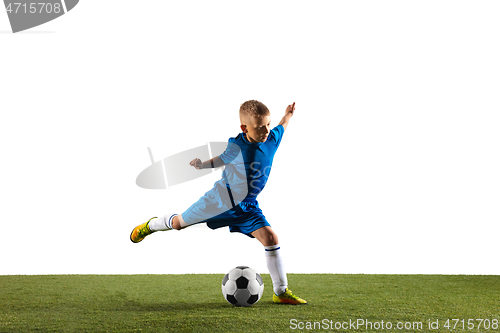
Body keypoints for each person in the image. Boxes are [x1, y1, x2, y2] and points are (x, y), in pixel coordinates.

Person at [130, 100, 307, 304]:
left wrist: (289, 114)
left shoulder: (271, 139)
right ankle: (150, 225)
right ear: (244, 128)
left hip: (247, 206)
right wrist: (202, 165)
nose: (266, 130)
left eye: (267, 125)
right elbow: (222, 159)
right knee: (178, 224)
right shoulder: (237, 145)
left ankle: (281, 292)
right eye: (260, 127)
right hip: (219, 201)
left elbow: (282, 125)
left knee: (271, 239)